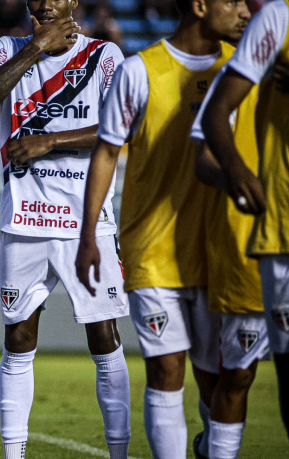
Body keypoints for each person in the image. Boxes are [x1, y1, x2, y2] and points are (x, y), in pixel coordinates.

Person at [75, 1, 251, 458]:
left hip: (219, 249)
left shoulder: (242, 70)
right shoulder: (138, 71)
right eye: (232, 2)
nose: (244, 12)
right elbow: (106, 152)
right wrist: (88, 235)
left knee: (216, 378)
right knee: (166, 369)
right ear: (200, 6)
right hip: (153, 247)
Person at [0, 1, 130, 458]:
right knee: (18, 339)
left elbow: (120, 128)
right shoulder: (8, 49)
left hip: (87, 221)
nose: (45, 4)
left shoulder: (103, 56)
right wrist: (36, 48)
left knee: (104, 337)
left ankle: (119, 453)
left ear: (73, 1)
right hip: (25, 219)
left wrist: (50, 141)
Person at [200, 0, 289, 440]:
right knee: (241, 372)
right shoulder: (277, 23)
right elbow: (210, 134)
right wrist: (236, 175)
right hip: (271, 234)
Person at [189, 61, 270, 458]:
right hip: (248, 247)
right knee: (236, 373)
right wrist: (238, 179)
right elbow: (204, 158)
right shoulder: (237, 80)